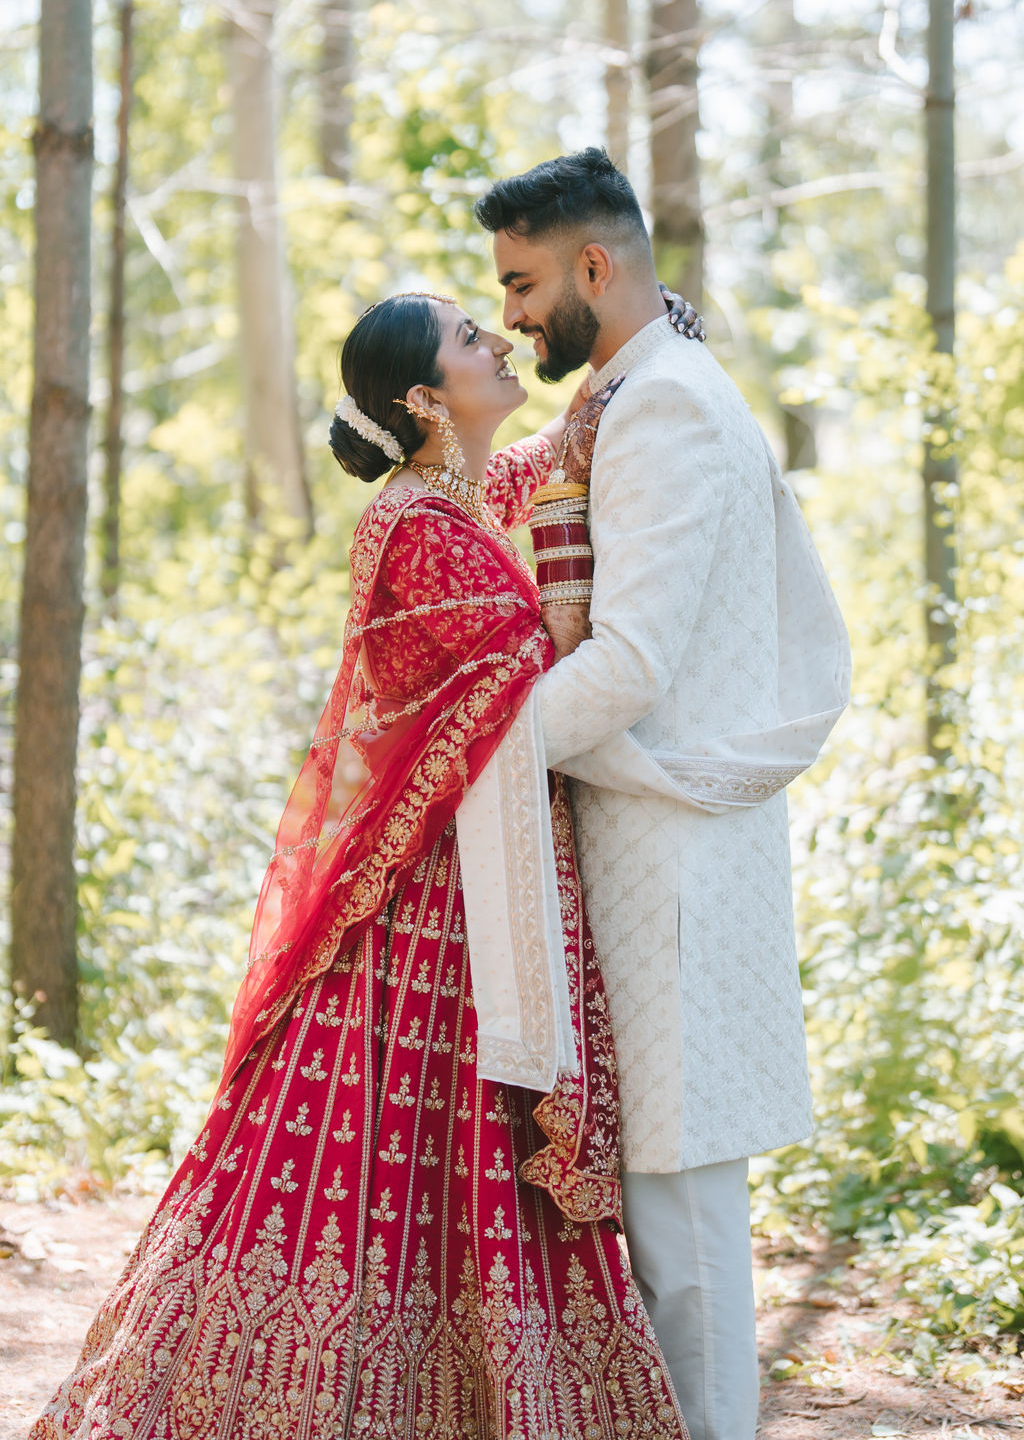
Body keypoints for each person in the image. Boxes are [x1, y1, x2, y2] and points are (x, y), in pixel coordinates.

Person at [31, 291, 697, 1440]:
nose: (498, 339)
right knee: (395, 1161)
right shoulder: (414, 528)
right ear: (426, 400)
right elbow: (527, 675)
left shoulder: (454, 505)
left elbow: (535, 463)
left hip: (474, 887)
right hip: (426, 911)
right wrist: (578, 600)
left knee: (450, 1163)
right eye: (470, 338)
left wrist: (628, 357)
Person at [474, 149, 851, 1440]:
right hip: (650, 853)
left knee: (680, 1234)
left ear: (593, 265)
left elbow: (629, 664)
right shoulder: (632, 392)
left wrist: (465, 756)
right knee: (659, 1227)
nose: (514, 316)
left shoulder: (664, 407)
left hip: (673, 866)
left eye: (523, 284)